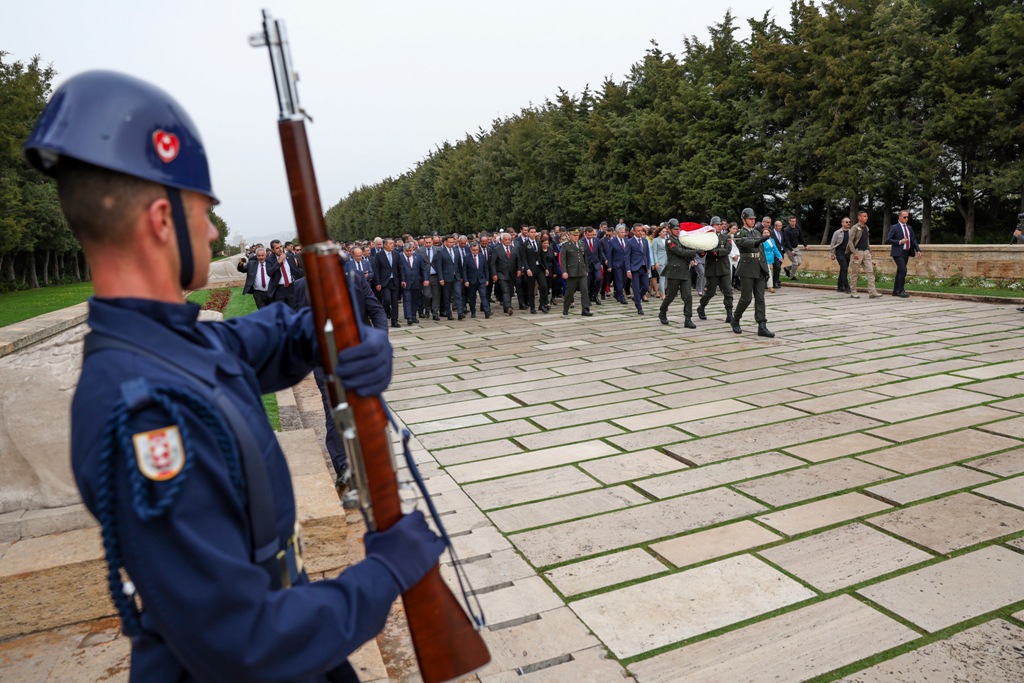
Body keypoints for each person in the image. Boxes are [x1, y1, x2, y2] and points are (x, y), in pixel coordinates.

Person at [24, 70, 443, 683]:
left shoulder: (176, 339)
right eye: (205, 211)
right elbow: (241, 641)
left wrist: (357, 339)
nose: (216, 232)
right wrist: (381, 575)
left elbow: (287, 332)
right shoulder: (141, 406)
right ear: (162, 220)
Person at [732, 208, 775, 337]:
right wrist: (761, 239)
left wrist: (765, 269)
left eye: (753, 219)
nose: (752, 221)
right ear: (744, 219)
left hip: (759, 268)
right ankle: (736, 319)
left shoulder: (756, 232)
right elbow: (747, 243)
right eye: (750, 219)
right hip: (746, 268)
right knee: (746, 298)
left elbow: (761, 252)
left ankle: (762, 325)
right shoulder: (740, 233)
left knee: (760, 298)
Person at [658, 220, 698, 328]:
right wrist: (695, 251)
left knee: (688, 296)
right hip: (674, 272)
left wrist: (692, 258)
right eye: (675, 229)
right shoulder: (669, 241)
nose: (677, 231)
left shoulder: (682, 240)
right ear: (670, 230)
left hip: (685, 272)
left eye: (678, 229)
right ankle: (662, 312)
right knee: (670, 296)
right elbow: (680, 252)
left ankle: (688, 319)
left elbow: (687, 251)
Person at [697, 217, 735, 324]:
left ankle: (729, 313)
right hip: (712, 268)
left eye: (720, 225)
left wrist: (714, 251)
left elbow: (727, 250)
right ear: (711, 226)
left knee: (728, 291)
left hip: (724, 268)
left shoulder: (725, 237)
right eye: (716, 225)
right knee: (710, 292)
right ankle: (701, 307)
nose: (719, 226)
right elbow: (701, 251)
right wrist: (705, 251)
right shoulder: (707, 238)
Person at [847, 209, 882, 299]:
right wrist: (854, 253)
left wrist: (869, 251)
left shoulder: (866, 228)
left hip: (866, 252)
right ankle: (853, 292)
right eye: (864, 216)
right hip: (857, 252)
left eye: (866, 216)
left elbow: (867, 241)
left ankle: (872, 292)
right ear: (859, 217)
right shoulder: (855, 228)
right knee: (855, 273)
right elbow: (850, 241)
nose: (866, 218)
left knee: (870, 272)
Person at [886, 210, 921, 298]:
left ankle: (895, 291)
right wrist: (900, 241)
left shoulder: (909, 228)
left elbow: (913, 240)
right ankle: (901, 290)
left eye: (907, 217)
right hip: (897, 253)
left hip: (906, 252)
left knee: (900, 271)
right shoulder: (894, 227)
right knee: (903, 271)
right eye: (904, 217)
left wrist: (918, 250)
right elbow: (888, 240)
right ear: (900, 217)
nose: (906, 219)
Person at [559, 229, 593, 316]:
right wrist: (564, 271)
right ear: (569, 235)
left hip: (581, 271)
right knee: (570, 291)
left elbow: (585, 258)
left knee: (585, 290)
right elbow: (563, 260)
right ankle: (566, 308)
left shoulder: (581, 244)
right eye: (574, 235)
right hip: (571, 272)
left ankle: (585, 309)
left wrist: (586, 269)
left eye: (577, 235)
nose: (576, 237)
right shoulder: (565, 245)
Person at [489, 232, 517, 315]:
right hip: (501, 273)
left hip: (512, 273)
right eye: (506, 240)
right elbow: (493, 263)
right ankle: (508, 307)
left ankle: (506, 307)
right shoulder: (497, 249)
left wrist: (519, 269)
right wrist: (494, 274)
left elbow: (518, 259)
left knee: (510, 291)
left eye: (509, 240)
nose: (508, 241)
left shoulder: (513, 249)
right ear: (501, 240)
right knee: (505, 290)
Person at [399, 241, 426, 325]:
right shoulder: (400, 257)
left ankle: (414, 316)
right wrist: (402, 280)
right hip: (405, 282)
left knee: (415, 300)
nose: (409, 252)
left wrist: (425, 279)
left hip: (416, 281)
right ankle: (409, 317)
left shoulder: (418, 256)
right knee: (407, 299)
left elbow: (423, 268)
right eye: (407, 251)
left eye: (410, 250)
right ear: (404, 250)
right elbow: (399, 270)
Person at [626, 224, 651, 315]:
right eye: (638, 230)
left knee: (646, 286)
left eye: (641, 230)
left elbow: (647, 255)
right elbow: (627, 256)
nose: (640, 232)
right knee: (636, 288)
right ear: (634, 231)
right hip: (634, 268)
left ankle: (636, 298)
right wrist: (628, 270)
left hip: (643, 267)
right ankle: (638, 306)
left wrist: (648, 266)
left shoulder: (645, 241)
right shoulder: (629, 242)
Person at [829, 217, 853, 293]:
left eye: (849, 222)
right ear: (842, 223)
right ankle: (846, 287)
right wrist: (832, 254)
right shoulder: (837, 233)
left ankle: (839, 286)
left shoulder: (851, 232)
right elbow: (833, 244)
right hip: (840, 252)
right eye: (846, 222)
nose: (848, 223)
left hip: (847, 253)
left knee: (843, 269)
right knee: (844, 268)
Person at [583, 226, 604, 306]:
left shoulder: (596, 240)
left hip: (596, 263)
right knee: (588, 282)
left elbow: (600, 252)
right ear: (585, 234)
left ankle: (595, 295)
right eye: (588, 235)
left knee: (599, 279)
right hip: (587, 265)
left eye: (591, 235)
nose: (590, 236)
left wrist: (601, 263)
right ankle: (588, 298)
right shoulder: (582, 242)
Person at [782, 215, 807, 280]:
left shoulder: (797, 227)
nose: (794, 223)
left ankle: (787, 268)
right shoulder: (786, 230)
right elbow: (787, 241)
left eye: (795, 221)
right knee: (795, 263)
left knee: (799, 262)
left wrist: (805, 245)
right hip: (789, 248)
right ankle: (792, 276)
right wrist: (791, 250)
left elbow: (801, 237)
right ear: (789, 222)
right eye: (792, 221)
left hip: (796, 247)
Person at [762, 226, 784, 293]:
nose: (766, 234)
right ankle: (770, 286)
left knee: (765, 273)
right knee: (768, 272)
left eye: (767, 232)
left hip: (770, 258)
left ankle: (764, 285)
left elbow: (775, 249)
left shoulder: (772, 240)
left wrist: (780, 257)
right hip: (763, 258)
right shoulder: (760, 240)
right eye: (764, 232)